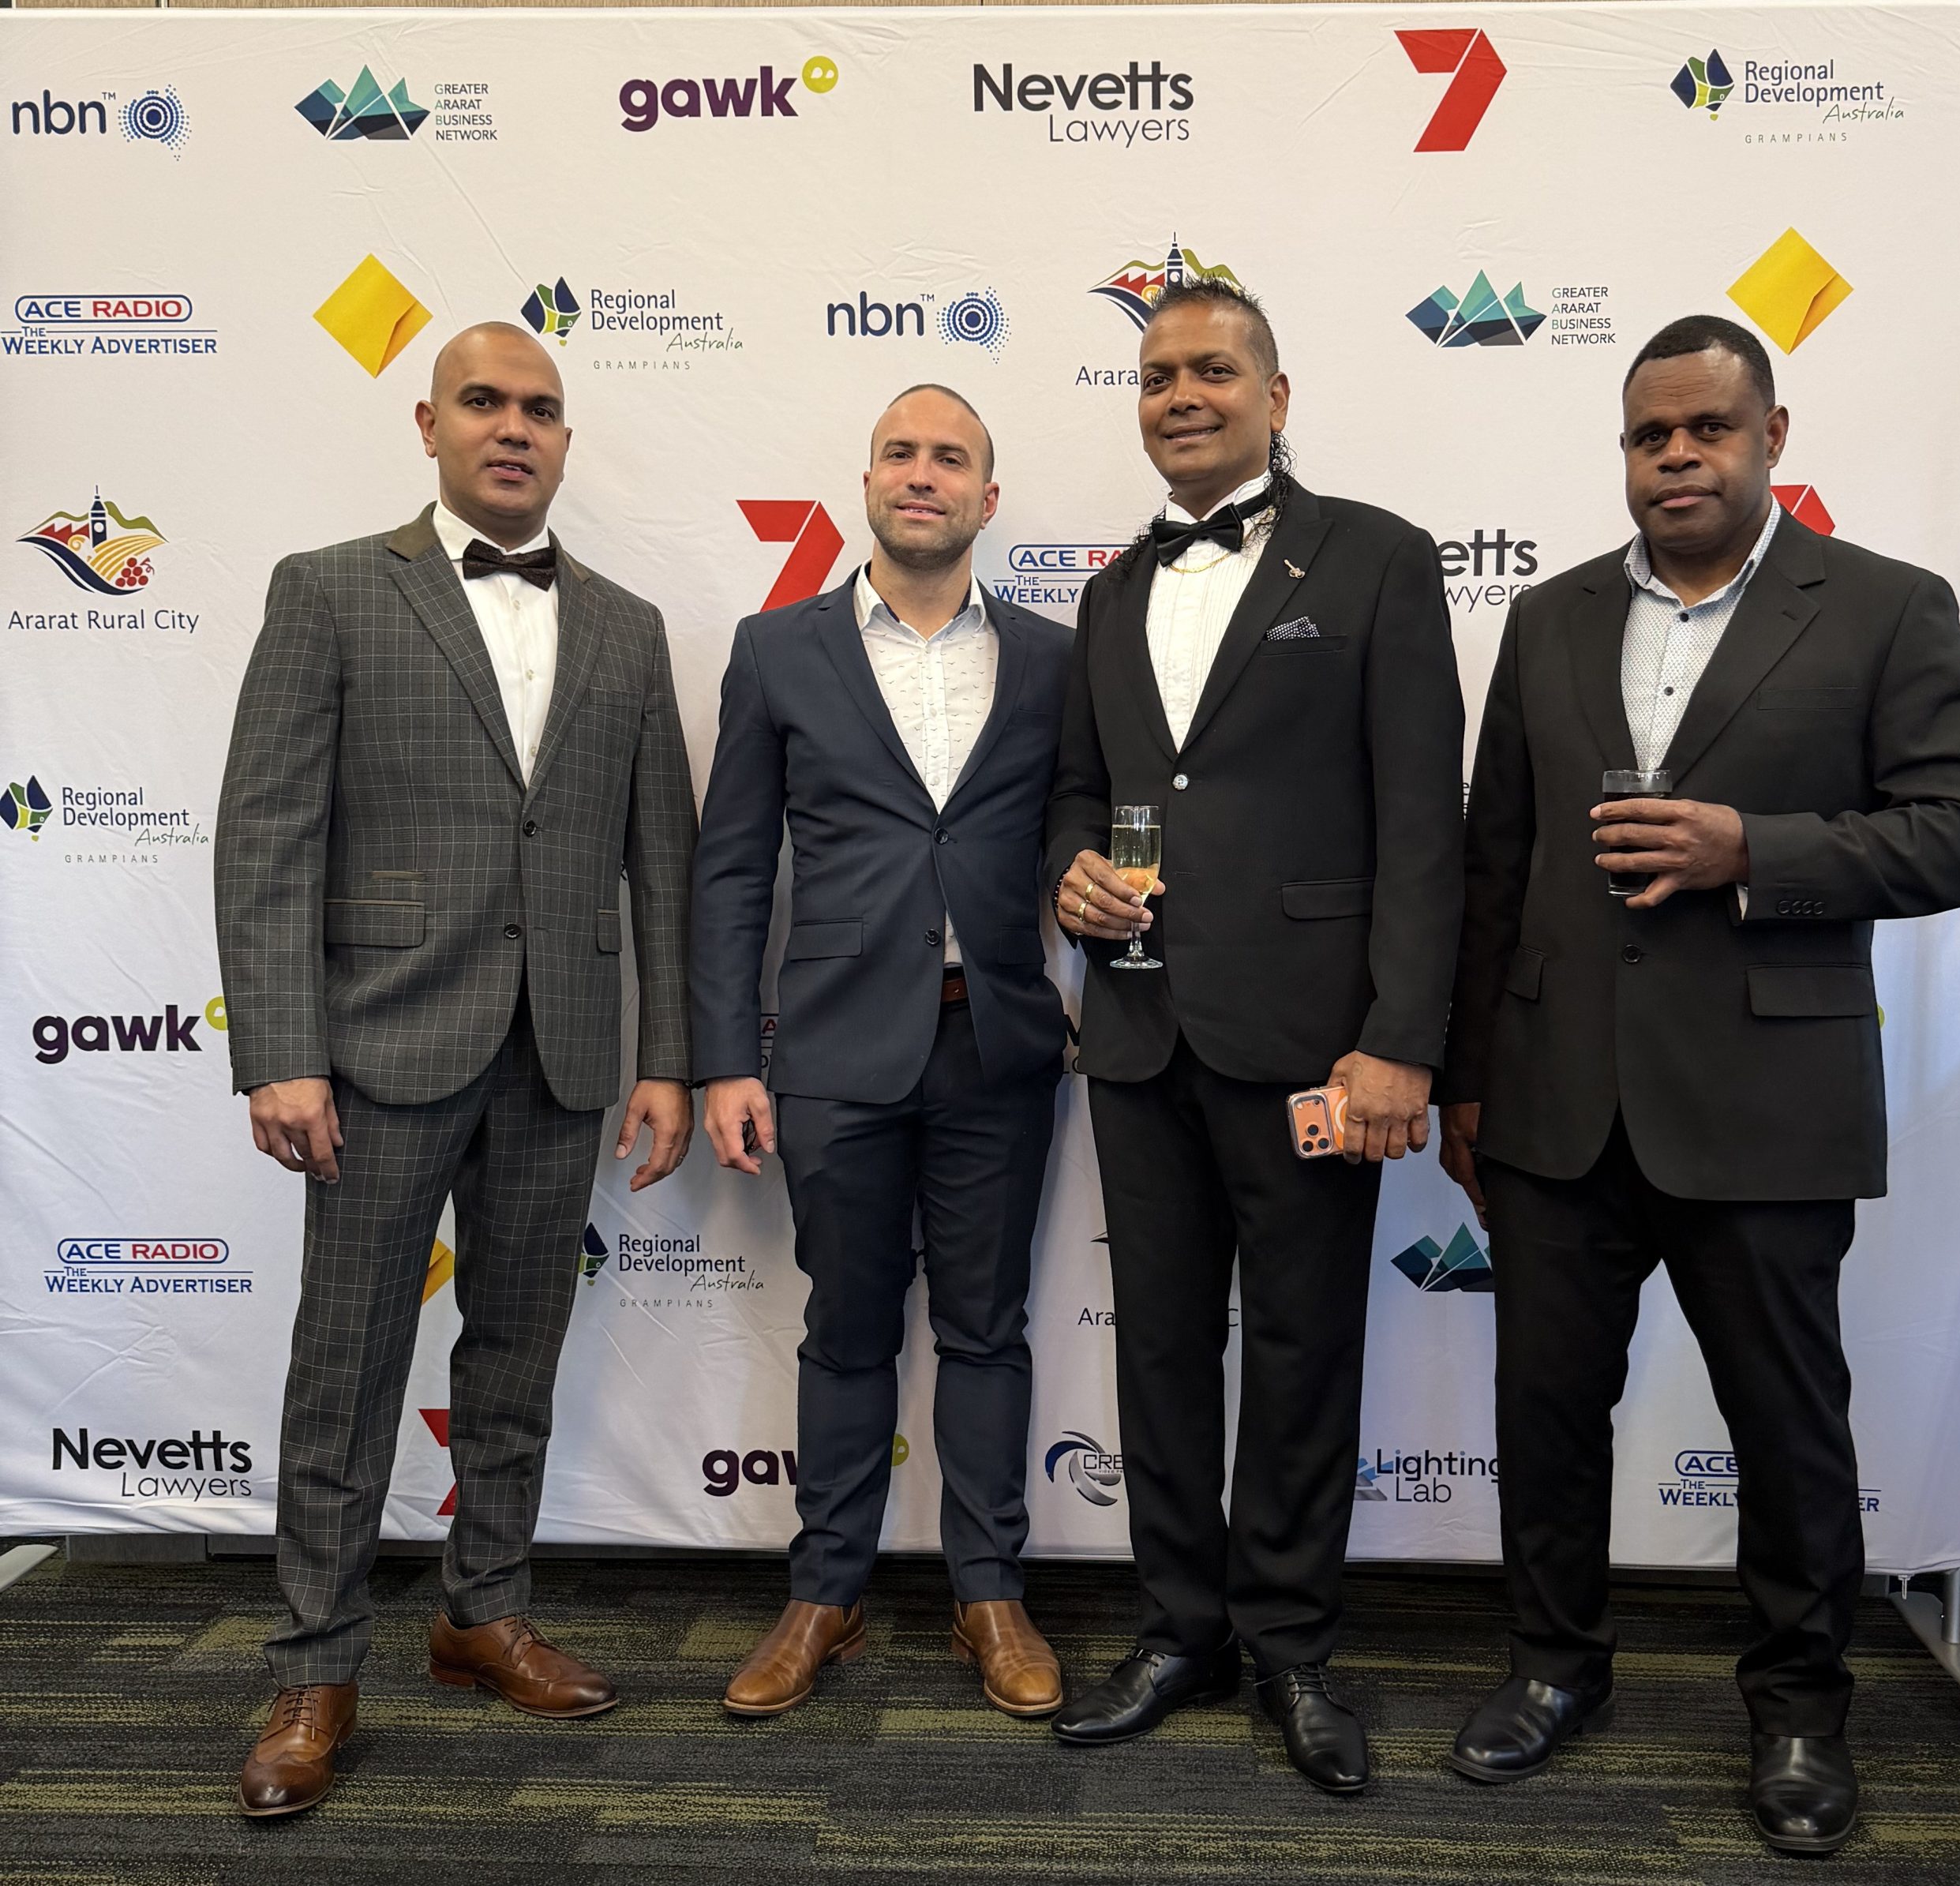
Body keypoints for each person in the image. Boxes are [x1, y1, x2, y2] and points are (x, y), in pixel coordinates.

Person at [1438, 314, 1960, 1854]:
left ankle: (1800, 1709)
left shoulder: (1884, 607)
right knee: (1544, 1411)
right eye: (1650, 435)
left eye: (1707, 427)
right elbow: (1495, 861)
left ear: (1772, 436)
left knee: (1785, 1424)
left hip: (1766, 1100)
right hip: (1557, 1098)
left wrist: (1751, 849)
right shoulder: (1549, 617)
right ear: (1623, 451)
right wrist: (1468, 1081)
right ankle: (1552, 1666)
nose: (1676, 456)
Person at [215, 323, 696, 1817]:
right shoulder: (328, 589)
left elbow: (663, 867)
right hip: (376, 1051)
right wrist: (281, 1051)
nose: (513, 427)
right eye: (483, 401)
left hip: (561, 1053)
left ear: (566, 440)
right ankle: (317, 1665)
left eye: (540, 408)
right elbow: (267, 834)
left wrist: (668, 1059)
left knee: (515, 1358)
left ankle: (484, 1611)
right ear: (429, 424)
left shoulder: (628, 626)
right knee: (346, 1368)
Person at [1044, 279, 1464, 1794]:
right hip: (1139, 1029)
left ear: (1275, 397)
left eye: (1214, 369)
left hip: (1312, 1045)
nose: (1182, 394)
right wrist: (1069, 870)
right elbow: (1081, 788)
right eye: (1158, 374)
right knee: (1159, 1347)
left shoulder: (1379, 557)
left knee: (1300, 1348)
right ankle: (1180, 1629)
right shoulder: (1109, 594)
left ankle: (1291, 1642)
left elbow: (1424, 822)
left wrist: (1401, 1039)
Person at [692, 386, 1071, 1719]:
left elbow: (1078, 834)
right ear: (866, 483)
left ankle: (990, 1591)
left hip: (998, 1047)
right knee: (846, 1332)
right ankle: (825, 1591)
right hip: (834, 1052)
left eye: (950, 457)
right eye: (901, 453)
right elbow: (733, 868)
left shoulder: (1054, 658)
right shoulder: (776, 649)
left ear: (987, 496)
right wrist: (726, 1057)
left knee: (987, 1331)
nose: (924, 473)